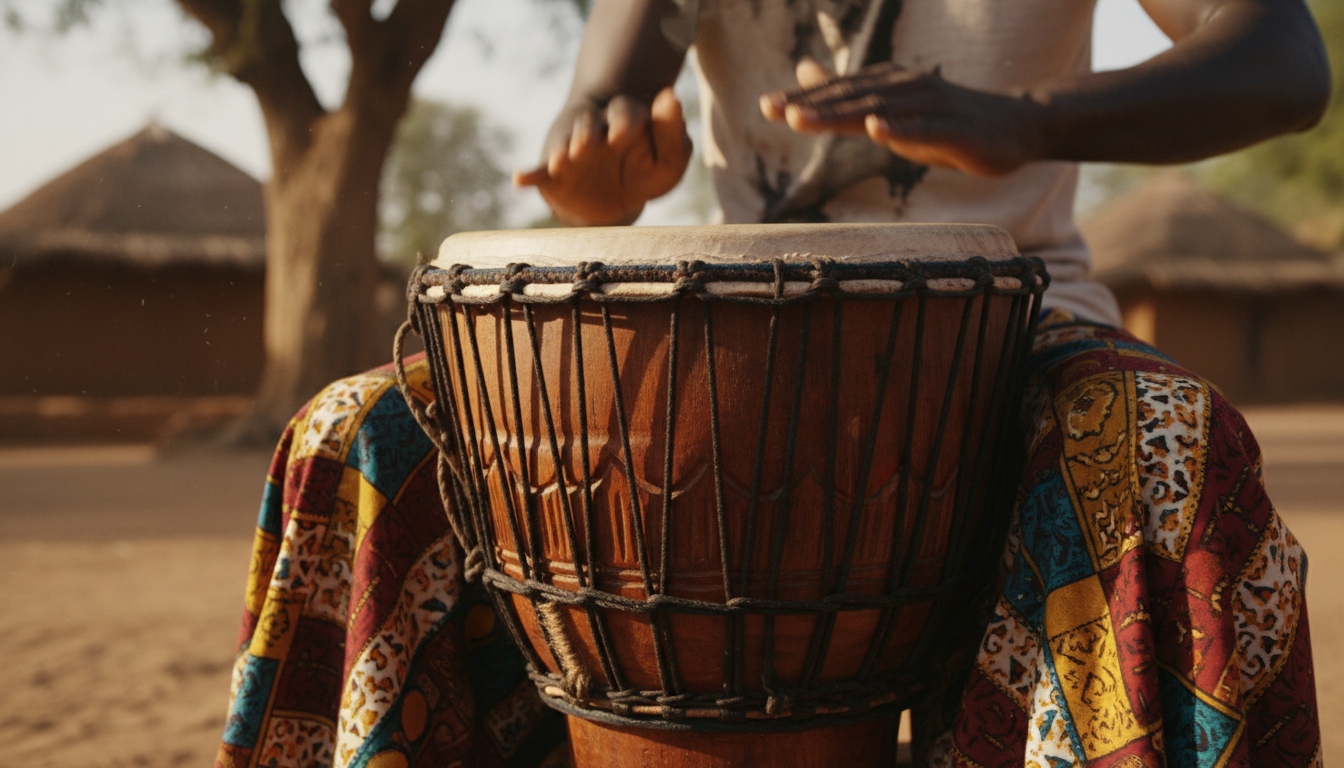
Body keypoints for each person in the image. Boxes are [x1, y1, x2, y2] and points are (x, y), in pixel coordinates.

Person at [215, 1, 1330, 766]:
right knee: (353, 432)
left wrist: (1028, 119)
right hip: (718, 347)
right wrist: (599, 160)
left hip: (1013, 335)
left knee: (1162, 435)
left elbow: (1281, 59)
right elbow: (607, 91)